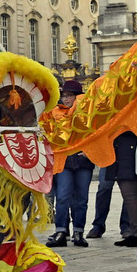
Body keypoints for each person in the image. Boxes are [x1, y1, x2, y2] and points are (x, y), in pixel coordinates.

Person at [46, 81, 95, 248]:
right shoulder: (56, 113)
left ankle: (78, 232)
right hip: (64, 160)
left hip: (83, 160)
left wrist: (90, 150)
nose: (65, 99)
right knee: (63, 196)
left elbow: (95, 133)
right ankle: (61, 231)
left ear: (77, 97)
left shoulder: (87, 112)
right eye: (64, 95)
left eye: (69, 95)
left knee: (81, 199)